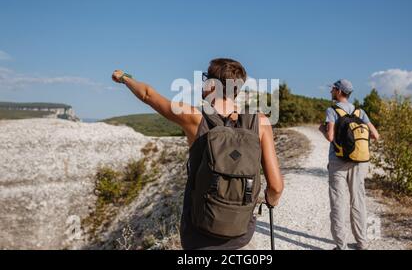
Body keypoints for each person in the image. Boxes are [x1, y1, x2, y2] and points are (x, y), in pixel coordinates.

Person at [112, 58, 283, 250]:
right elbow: (276, 187)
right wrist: (270, 202)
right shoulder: (260, 122)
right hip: (240, 234)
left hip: (199, 236)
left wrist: (124, 77)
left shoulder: (194, 118)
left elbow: (147, 95)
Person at [319, 79, 379, 250]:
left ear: (338, 91)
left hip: (338, 162)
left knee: (338, 203)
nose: (331, 90)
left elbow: (330, 137)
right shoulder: (360, 112)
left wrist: (322, 129)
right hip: (360, 163)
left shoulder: (332, 110)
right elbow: (376, 135)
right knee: (358, 201)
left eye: (333, 88)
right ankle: (362, 243)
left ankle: (341, 246)